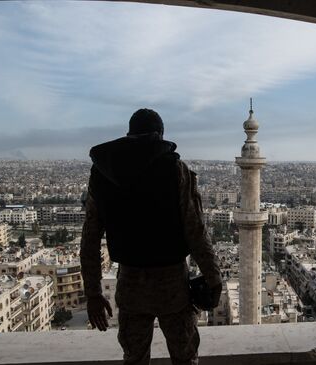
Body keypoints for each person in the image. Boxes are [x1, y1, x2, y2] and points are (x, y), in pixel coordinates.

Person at [80, 108, 222, 365]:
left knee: (134, 358)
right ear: (160, 135)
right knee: (185, 357)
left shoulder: (103, 172)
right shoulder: (175, 170)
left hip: (131, 284)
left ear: (129, 134)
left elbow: (90, 236)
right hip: (172, 286)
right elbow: (195, 230)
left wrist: (92, 293)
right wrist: (213, 278)